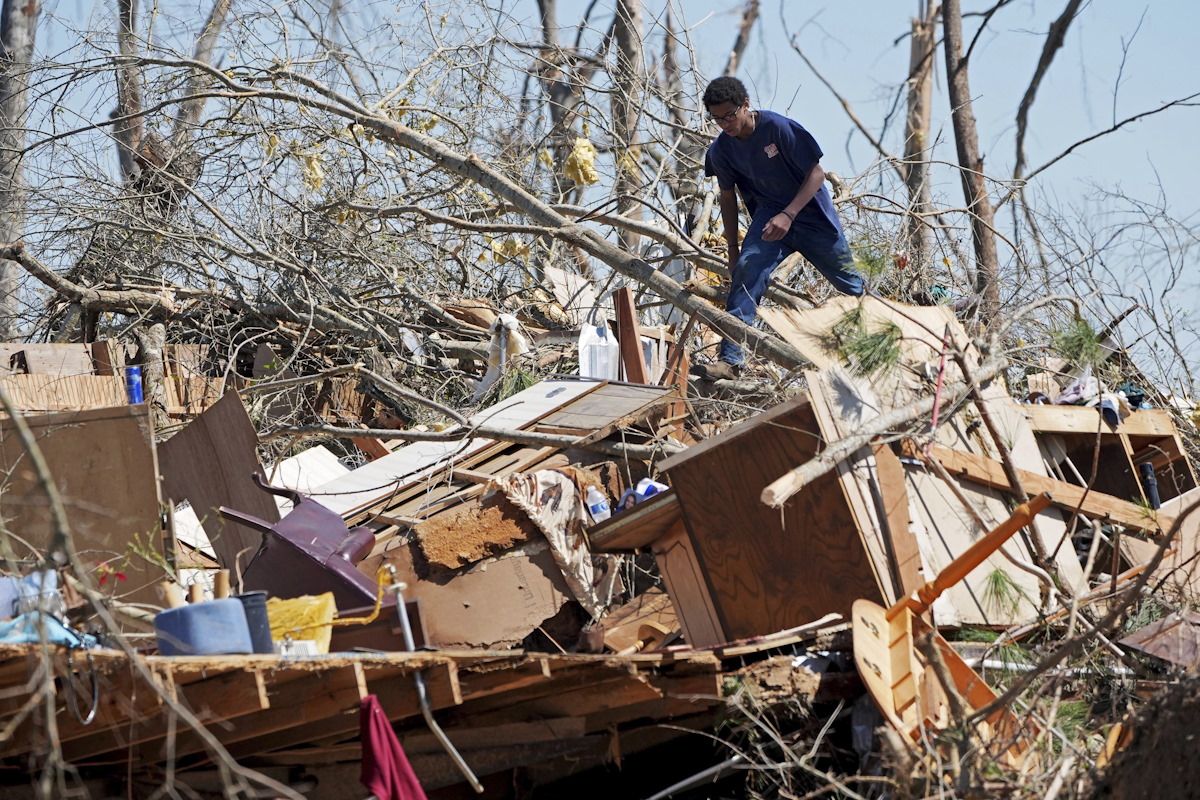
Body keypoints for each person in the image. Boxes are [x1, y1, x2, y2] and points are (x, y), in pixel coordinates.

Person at [693, 76, 864, 382]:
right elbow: (727, 197)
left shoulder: (778, 128)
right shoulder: (721, 151)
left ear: (746, 105)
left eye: (730, 115)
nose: (725, 124)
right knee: (747, 270)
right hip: (770, 218)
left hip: (812, 216)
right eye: (717, 118)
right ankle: (731, 360)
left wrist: (790, 213)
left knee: (852, 286)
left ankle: (893, 336)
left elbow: (816, 174)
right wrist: (733, 249)